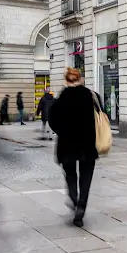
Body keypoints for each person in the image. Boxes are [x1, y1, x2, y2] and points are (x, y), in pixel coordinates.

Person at [48, 68, 100, 227]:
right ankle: (81, 206)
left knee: (70, 174)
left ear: (66, 80)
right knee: (86, 177)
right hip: (87, 144)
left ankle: (74, 198)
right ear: (80, 79)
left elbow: (52, 120)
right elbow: (101, 115)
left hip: (67, 144)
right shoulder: (90, 95)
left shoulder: (61, 97)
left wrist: (63, 132)